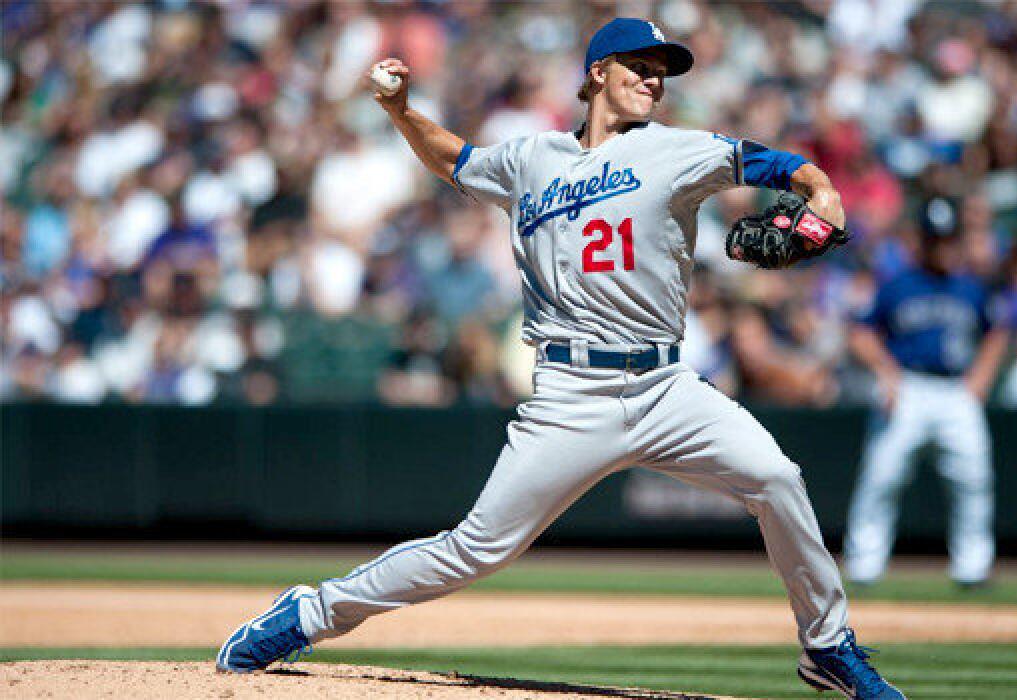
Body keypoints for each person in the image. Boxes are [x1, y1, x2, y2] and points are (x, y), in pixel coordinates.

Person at [217, 18, 904, 699]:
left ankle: (826, 647)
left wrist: (822, 188)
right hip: (572, 392)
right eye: (639, 62)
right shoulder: (530, 158)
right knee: (475, 550)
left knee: (777, 478)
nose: (653, 77)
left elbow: (771, 163)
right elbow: (453, 160)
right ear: (597, 72)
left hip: (667, 386)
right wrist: (399, 111)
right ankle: (311, 611)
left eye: (662, 69)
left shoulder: (677, 149)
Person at [844, 198, 1008, 588]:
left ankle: (973, 568)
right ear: (922, 240)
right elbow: (861, 332)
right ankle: (864, 566)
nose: (944, 247)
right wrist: (885, 370)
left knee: (973, 478)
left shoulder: (971, 286)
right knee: (883, 476)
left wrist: (981, 377)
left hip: (956, 390)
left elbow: (998, 332)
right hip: (909, 387)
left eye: (950, 239)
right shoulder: (898, 285)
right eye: (937, 240)